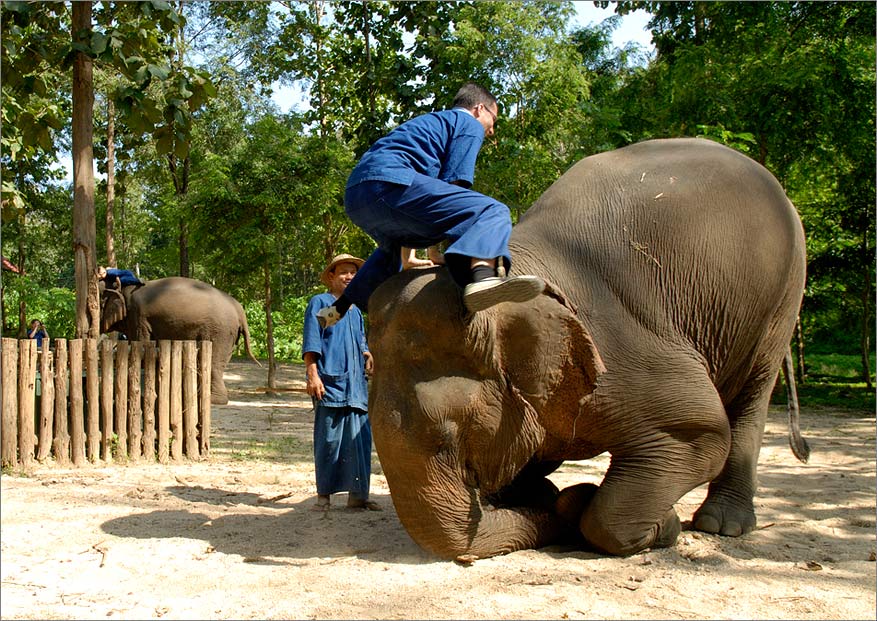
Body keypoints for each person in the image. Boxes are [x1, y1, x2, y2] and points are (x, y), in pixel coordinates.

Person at [316, 82, 544, 328]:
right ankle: (483, 277)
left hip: (357, 195)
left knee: (390, 250)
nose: (491, 131)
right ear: (479, 109)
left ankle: (337, 309)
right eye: (494, 119)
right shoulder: (467, 124)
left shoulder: (433, 124)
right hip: (389, 182)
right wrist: (437, 253)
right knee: (493, 210)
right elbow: (455, 185)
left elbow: (431, 204)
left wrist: (417, 254)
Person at [302, 254, 380, 512]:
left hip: (356, 386)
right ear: (332, 277)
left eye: (353, 273)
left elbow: (359, 340)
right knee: (329, 440)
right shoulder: (323, 302)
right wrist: (313, 374)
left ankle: (358, 496)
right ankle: (324, 496)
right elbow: (314, 340)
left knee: (360, 440)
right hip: (331, 383)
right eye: (344, 272)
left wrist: (367, 353)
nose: (349, 277)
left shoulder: (356, 309)